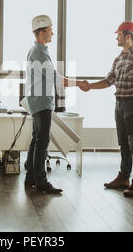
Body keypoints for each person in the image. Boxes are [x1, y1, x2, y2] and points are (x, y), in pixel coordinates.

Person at [24, 15, 89, 194]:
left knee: (36, 139)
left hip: (37, 101)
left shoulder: (36, 50)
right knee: (42, 141)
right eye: (51, 29)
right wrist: (80, 83)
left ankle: (30, 177)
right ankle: (41, 181)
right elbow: (57, 79)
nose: (53, 32)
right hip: (41, 102)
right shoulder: (38, 53)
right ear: (43, 31)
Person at [87, 21, 133, 197]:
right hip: (119, 104)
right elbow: (108, 81)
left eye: (119, 35)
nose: (117, 37)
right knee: (123, 142)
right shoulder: (119, 59)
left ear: (128, 36)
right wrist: (89, 86)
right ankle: (124, 177)